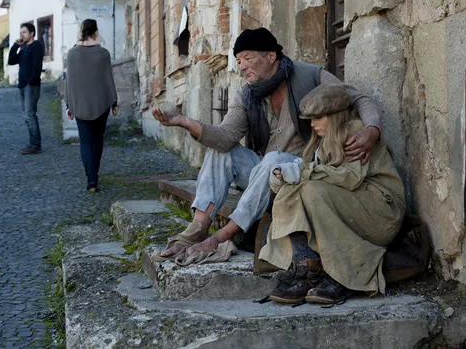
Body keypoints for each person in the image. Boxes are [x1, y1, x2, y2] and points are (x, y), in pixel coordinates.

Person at [152, 27, 382, 265]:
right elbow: (226, 137)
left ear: (271, 56)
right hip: (266, 174)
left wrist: (372, 129)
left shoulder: (311, 76)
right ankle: (198, 228)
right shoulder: (247, 95)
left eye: (248, 58)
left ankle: (224, 236)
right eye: (239, 60)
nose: (242, 66)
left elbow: (359, 98)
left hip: (304, 173)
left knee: (272, 161)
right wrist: (185, 122)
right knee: (222, 152)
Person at [261, 85, 405, 305]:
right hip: (354, 206)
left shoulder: (355, 130)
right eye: (309, 119)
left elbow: (349, 178)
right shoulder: (322, 139)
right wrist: (282, 176)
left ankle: (341, 275)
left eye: (318, 117)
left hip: (381, 211)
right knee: (290, 191)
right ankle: (307, 267)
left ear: (334, 115)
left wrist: (303, 172)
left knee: (309, 190)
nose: (312, 124)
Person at [65, 19, 118, 192]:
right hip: (101, 103)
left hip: (80, 103)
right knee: (97, 140)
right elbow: (108, 78)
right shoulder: (103, 53)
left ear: (81, 32)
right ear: (96, 32)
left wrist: (69, 105)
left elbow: (70, 82)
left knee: (86, 142)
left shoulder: (72, 53)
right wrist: (114, 103)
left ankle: (91, 180)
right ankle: (94, 174)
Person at [8, 22, 45, 154]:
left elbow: (37, 67)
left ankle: (35, 144)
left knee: (30, 114)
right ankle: (33, 143)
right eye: (20, 32)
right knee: (26, 116)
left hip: (31, 85)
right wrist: (15, 45)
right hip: (23, 85)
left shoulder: (36, 46)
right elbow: (11, 60)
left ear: (32, 33)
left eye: (24, 32)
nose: (21, 35)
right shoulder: (23, 49)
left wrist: (30, 81)